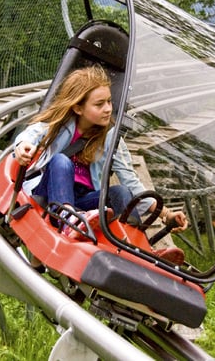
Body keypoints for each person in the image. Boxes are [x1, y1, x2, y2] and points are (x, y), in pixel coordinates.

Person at [13, 64, 188, 264]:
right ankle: (69, 220)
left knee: (120, 192)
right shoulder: (60, 125)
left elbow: (130, 180)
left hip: (85, 202)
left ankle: (139, 248)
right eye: (99, 104)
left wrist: (165, 214)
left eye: (109, 102)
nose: (108, 109)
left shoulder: (111, 137)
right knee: (61, 160)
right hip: (52, 195)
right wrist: (23, 145)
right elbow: (33, 133)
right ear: (78, 107)